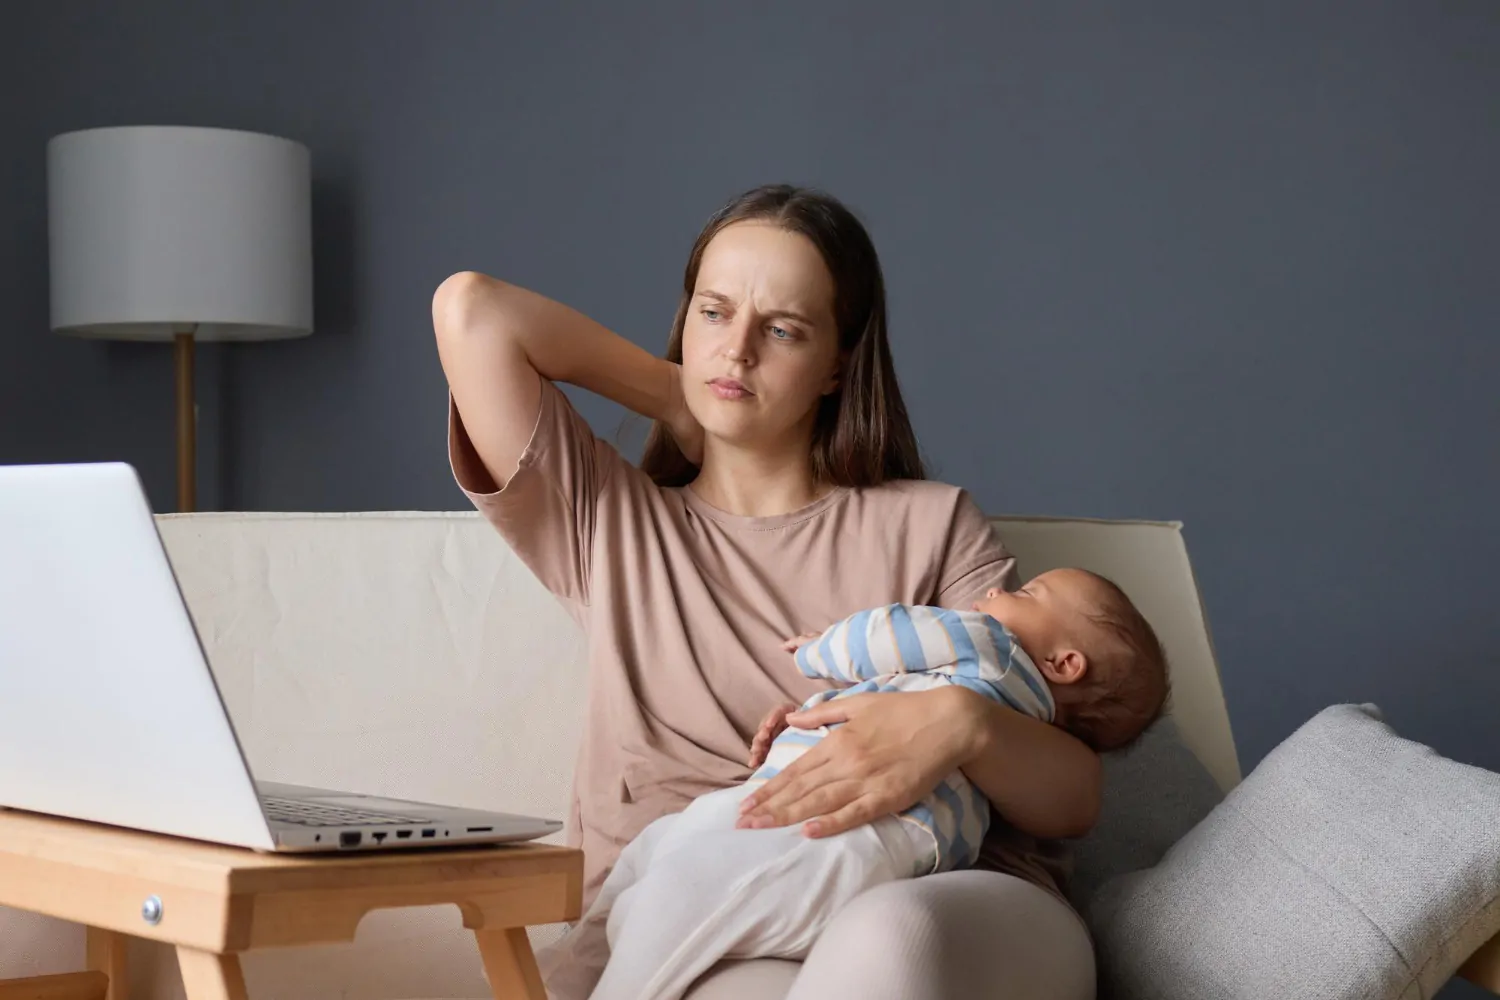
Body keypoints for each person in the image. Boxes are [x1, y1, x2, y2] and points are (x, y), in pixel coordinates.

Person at [433, 184, 1102, 999]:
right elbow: (472, 311)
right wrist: (673, 395)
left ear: (837, 365)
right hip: (708, 924)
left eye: (782, 329)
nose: (737, 351)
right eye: (714, 314)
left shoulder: (930, 525)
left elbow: (1073, 799)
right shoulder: (606, 521)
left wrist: (962, 724)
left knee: (885, 938)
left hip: (942, 899)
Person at [542, 570, 1168, 999]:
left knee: (679, 881)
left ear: (1063, 663)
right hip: (889, 845)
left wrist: (820, 652)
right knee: (665, 849)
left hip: (856, 827)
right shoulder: (1018, 709)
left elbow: (893, 632)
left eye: (1028, 591)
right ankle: (612, 946)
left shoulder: (992, 646)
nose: (999, 589)